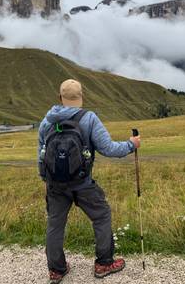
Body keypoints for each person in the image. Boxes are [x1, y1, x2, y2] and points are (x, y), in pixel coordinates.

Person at [37, 79, 141, 283]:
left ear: (60, 98)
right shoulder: (89, 118)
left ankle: (56, 270)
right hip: (84, 184)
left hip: (55, 186)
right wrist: (131, 144)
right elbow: (109, 149)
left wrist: (46, 180)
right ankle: (104, 263)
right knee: (101, 216)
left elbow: (41, 156)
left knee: (55, 224)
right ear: (81, 97)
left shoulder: (46, 121)